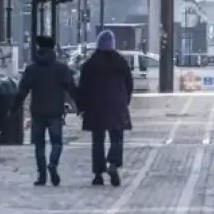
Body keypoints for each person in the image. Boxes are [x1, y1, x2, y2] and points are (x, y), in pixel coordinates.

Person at [12, 35, 77, 187]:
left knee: (39, 145)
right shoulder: (61, 69)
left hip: (38, 111)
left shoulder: (32, 69)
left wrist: (14, 107)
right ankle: (53, 163)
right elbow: (72, 89)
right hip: (56, 111)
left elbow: (23, 91)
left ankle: (41, 175)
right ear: (53, 49)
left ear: (39, 49)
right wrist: (81, 104)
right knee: (56, 142)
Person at [76, 30, 133, 187]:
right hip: (117, 105)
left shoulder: (90, 64)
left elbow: (83, 88)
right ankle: (113, 163)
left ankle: (98, 173)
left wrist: (82, 107)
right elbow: (129, 85)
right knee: (117, 138)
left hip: (96, 107)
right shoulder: (121, 62)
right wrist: (124, 101)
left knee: (98, 140)